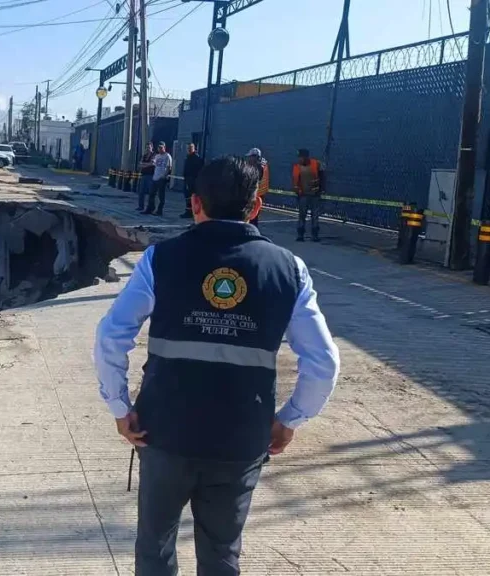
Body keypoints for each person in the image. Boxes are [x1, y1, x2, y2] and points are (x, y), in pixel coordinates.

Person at [94, 155, 340, 576]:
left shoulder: (160, 260)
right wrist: (289, 419)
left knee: (154, 547)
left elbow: (110, 336)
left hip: (164, 431)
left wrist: (120, 408)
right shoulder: (289, 270)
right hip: (241, 438)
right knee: (222, 553)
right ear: (256, 207)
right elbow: (323, 362)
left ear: (195, 204)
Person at [293, 148, 325, 241]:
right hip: (303, 195)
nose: (299, 159)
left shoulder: (316, 164)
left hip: (314, 195)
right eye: (299, 157)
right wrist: (298, 192)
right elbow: (295, 181)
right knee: (302, 215)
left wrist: (321, 189)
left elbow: (322, 176)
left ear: (306, 157)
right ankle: (300, 235)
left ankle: (315, 235)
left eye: (301, 157)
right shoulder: (297, 166)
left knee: (315, 216)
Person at [144, 141, 173, 216]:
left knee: (161, 196)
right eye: (159, 147)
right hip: (155, 177)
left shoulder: (167, 156)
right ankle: (150, 208)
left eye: (161, 147)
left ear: (164, 147)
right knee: (151, 194)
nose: (160, 149)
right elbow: (154, 164)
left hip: (161, 178)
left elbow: (169, 167)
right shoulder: (157, 156)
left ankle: (159, 211)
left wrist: (164, 176)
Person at [245, 147, 269, 227]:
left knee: (252, 215)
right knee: (254, 215)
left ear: (255, 157)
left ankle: (251, 230)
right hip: (260, 193)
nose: (248, 159)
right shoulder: (262, 164)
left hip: (256, 194)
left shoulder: (258, 167)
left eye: (250, 157)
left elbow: (253, 181)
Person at [180, 143, 204, 219]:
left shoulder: (197, 158)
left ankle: (192, 213)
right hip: (187, 179)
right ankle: (188, 212)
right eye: (188, 148)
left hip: (193, 180)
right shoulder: (188, 158)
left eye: (190, 148)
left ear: (194, 148)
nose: (189, 149)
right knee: (187, 196)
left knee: (192, 197)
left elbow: (199, 170)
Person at [137, 142, 156, 212]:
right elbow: (139, 165)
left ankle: (150, 207)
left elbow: (153, 163)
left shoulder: (154, 155)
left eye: (149, 147)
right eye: (147, 147)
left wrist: (144, 164)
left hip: (150, 176)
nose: (148, 149)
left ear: (152, 147)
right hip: (143, 175)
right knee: (141, 191)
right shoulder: (144, 156)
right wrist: (147, 164)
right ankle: (140, 206)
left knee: (150, 192)